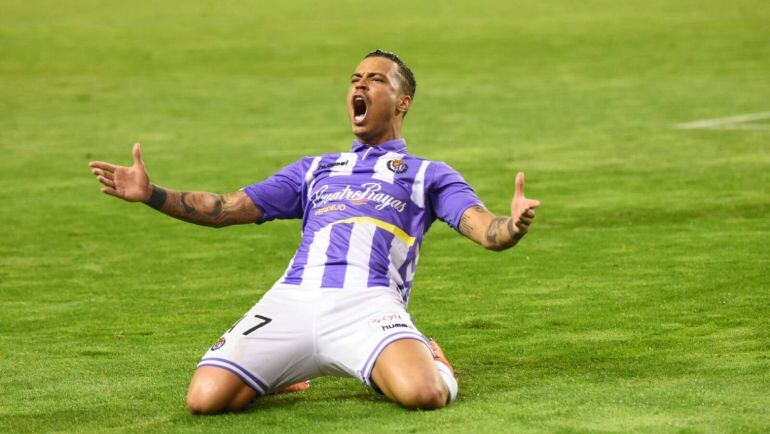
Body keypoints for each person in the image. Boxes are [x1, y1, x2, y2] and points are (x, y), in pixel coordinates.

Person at [88, 50, 540, 412]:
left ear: (404, 102)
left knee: (424, 395)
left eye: (376, 79)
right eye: (355, 79)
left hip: (368, 304)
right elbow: (224, 208)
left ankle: (434, 360)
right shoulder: (316, 170)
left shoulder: (428, 175)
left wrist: (512, 226)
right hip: (292, 299)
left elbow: (485, 230)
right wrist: (152, 193)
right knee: (204, 400)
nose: (360, 84)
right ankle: (283, 372)